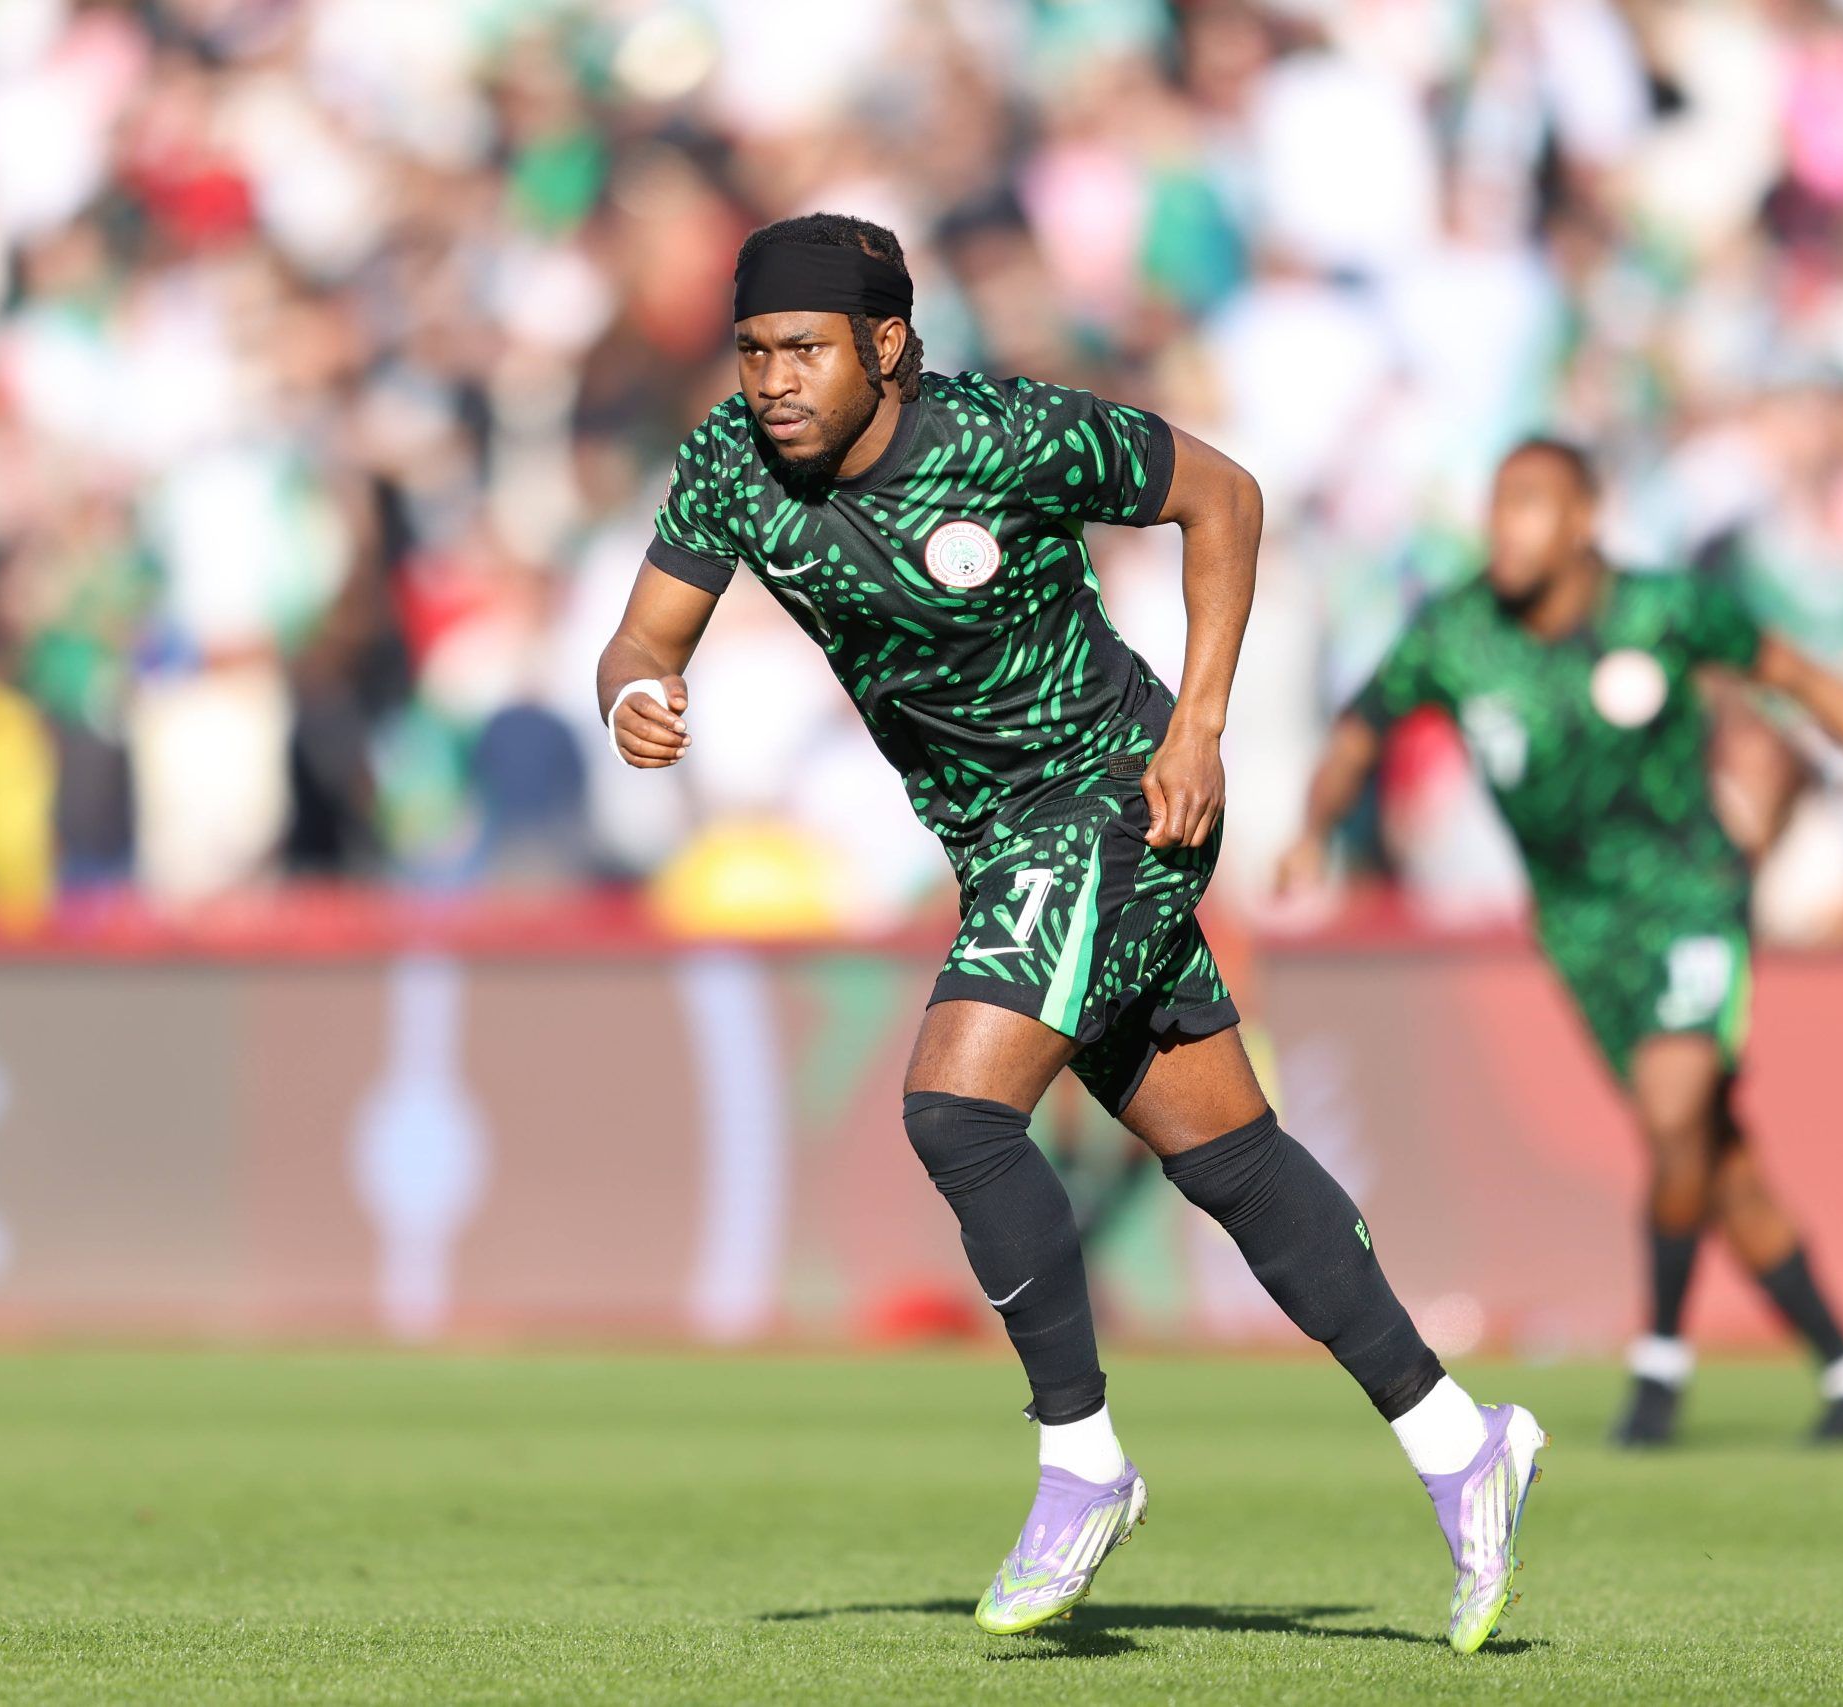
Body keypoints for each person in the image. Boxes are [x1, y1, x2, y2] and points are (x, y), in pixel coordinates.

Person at [598, 213, 1545, 1653]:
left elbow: (1221, 497)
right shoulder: (731, 464)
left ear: (889, 347)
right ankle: (1457, 1437)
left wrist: (1203, 728)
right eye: (755, 350)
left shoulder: (1013, 435)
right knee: (1227, 1153)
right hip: (999, 843)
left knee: (954, 1107)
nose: (775, 378)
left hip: (1114, 788)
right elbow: (644, 636)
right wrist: (633, 695)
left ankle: (1082, 1458)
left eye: (803, 348)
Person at [1279, 437, 1843, 1447]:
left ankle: (1657, 1364)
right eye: (1497, 504)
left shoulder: (1662, 609)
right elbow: (1359, 729)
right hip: (1575, 923)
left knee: (1672, 1109)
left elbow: (1802, 681)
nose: (1505, 528)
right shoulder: (1457, 632)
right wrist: (1312, 831)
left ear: (1582, 520)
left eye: (1530, 505)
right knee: (1701, 1149)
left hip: (1688, 893)